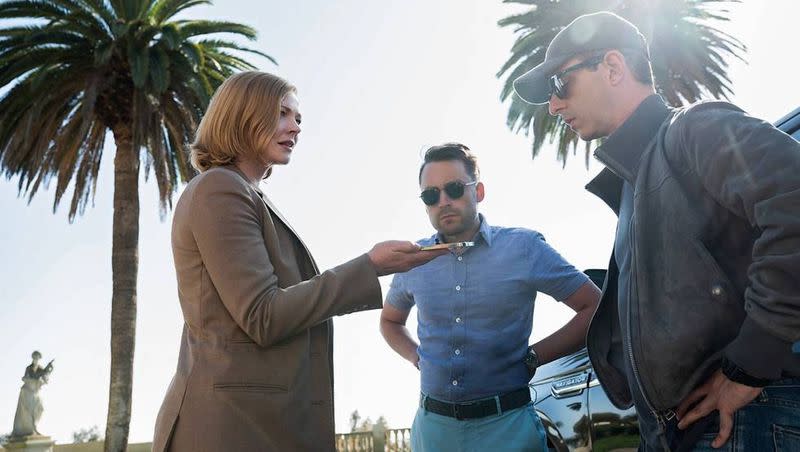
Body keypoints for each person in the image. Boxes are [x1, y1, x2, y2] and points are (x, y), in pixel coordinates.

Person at [513, 11, 800, 451]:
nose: (552, 106)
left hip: (746, 421)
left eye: (559, 85)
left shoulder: (694, 128)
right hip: (692, 432)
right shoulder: (637, 182)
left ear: (612, 67)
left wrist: (750, 365)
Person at [152, 71, 446, 452]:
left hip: (256, 422)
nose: (296, 127)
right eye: (282, 114)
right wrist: (370, 267)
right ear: (242, 115)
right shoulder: (219, 189)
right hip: (229, 427)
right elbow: (263, 314)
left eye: (299, 118)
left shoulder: (246, 194)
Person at [380, 143, 601, 452]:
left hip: (508, 427)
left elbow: (594, 306)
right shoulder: (413, 261)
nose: (443, 201)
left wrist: (535, 356)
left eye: (454, 189)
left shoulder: (524, 248)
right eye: (431, 195)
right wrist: (416, 356)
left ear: (478, 191)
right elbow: (390, 321)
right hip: (433, 432)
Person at [12, 351, 54, 438]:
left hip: (36, 392)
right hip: (27, 391)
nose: (36, 359)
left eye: (37, 358)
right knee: (30, 410)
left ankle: (35, 426)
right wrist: (31, 379)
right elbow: (24, 378)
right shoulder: (28, 368)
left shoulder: (41, 369)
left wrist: (48, 371)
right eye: (35, 357)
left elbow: (45, 379)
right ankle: (33, 428)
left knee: (41, 409)